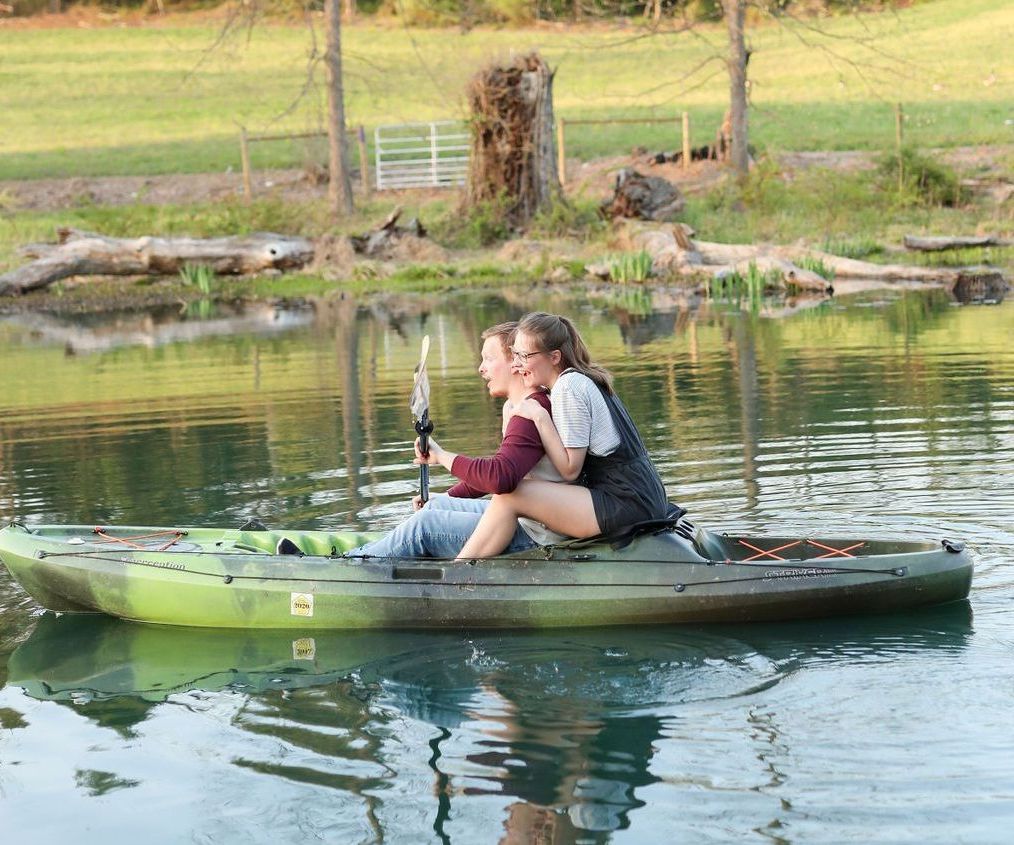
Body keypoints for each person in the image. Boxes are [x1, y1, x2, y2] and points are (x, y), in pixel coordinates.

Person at [455, 312, 672, 560]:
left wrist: (539, 417)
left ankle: (457, 571)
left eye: (525, 356)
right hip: (641, 495)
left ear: (554, 356)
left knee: (512, 495)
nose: (519, 364)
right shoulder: (582, 378)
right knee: (513, 493)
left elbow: (571, 470)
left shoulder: (568, 388)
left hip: (625, 503)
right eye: (516, 356)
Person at [345, 321, 566, 560]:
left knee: (425, 525)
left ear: (516, 362)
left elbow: (499, 477)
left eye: (489, 359)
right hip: (521, 518)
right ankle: (363, 556)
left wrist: (442, 457)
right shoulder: (514, 407)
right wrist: (448, 496)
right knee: (432, 508)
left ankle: (348, 565)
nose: (481, 368)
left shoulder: (530, 411)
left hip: (536, 534)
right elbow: (502, 472)